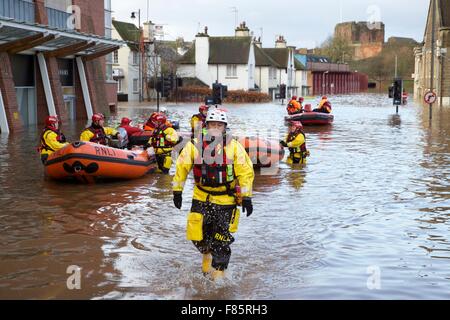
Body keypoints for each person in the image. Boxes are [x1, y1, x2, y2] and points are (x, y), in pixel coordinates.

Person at [172, 107, 255, 281]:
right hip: (201, 197)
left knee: (221, 238)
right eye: (212, 124)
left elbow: (245, 172)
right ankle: (206, 254)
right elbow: (181, 167)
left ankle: (218, 276)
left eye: (219, 125)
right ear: (206, 125)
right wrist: (177, 191)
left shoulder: (234, 147)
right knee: (197, 235)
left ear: (225, 127)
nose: (216, 128)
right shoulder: (194, 145)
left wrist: (246, 197)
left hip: (226, 199)